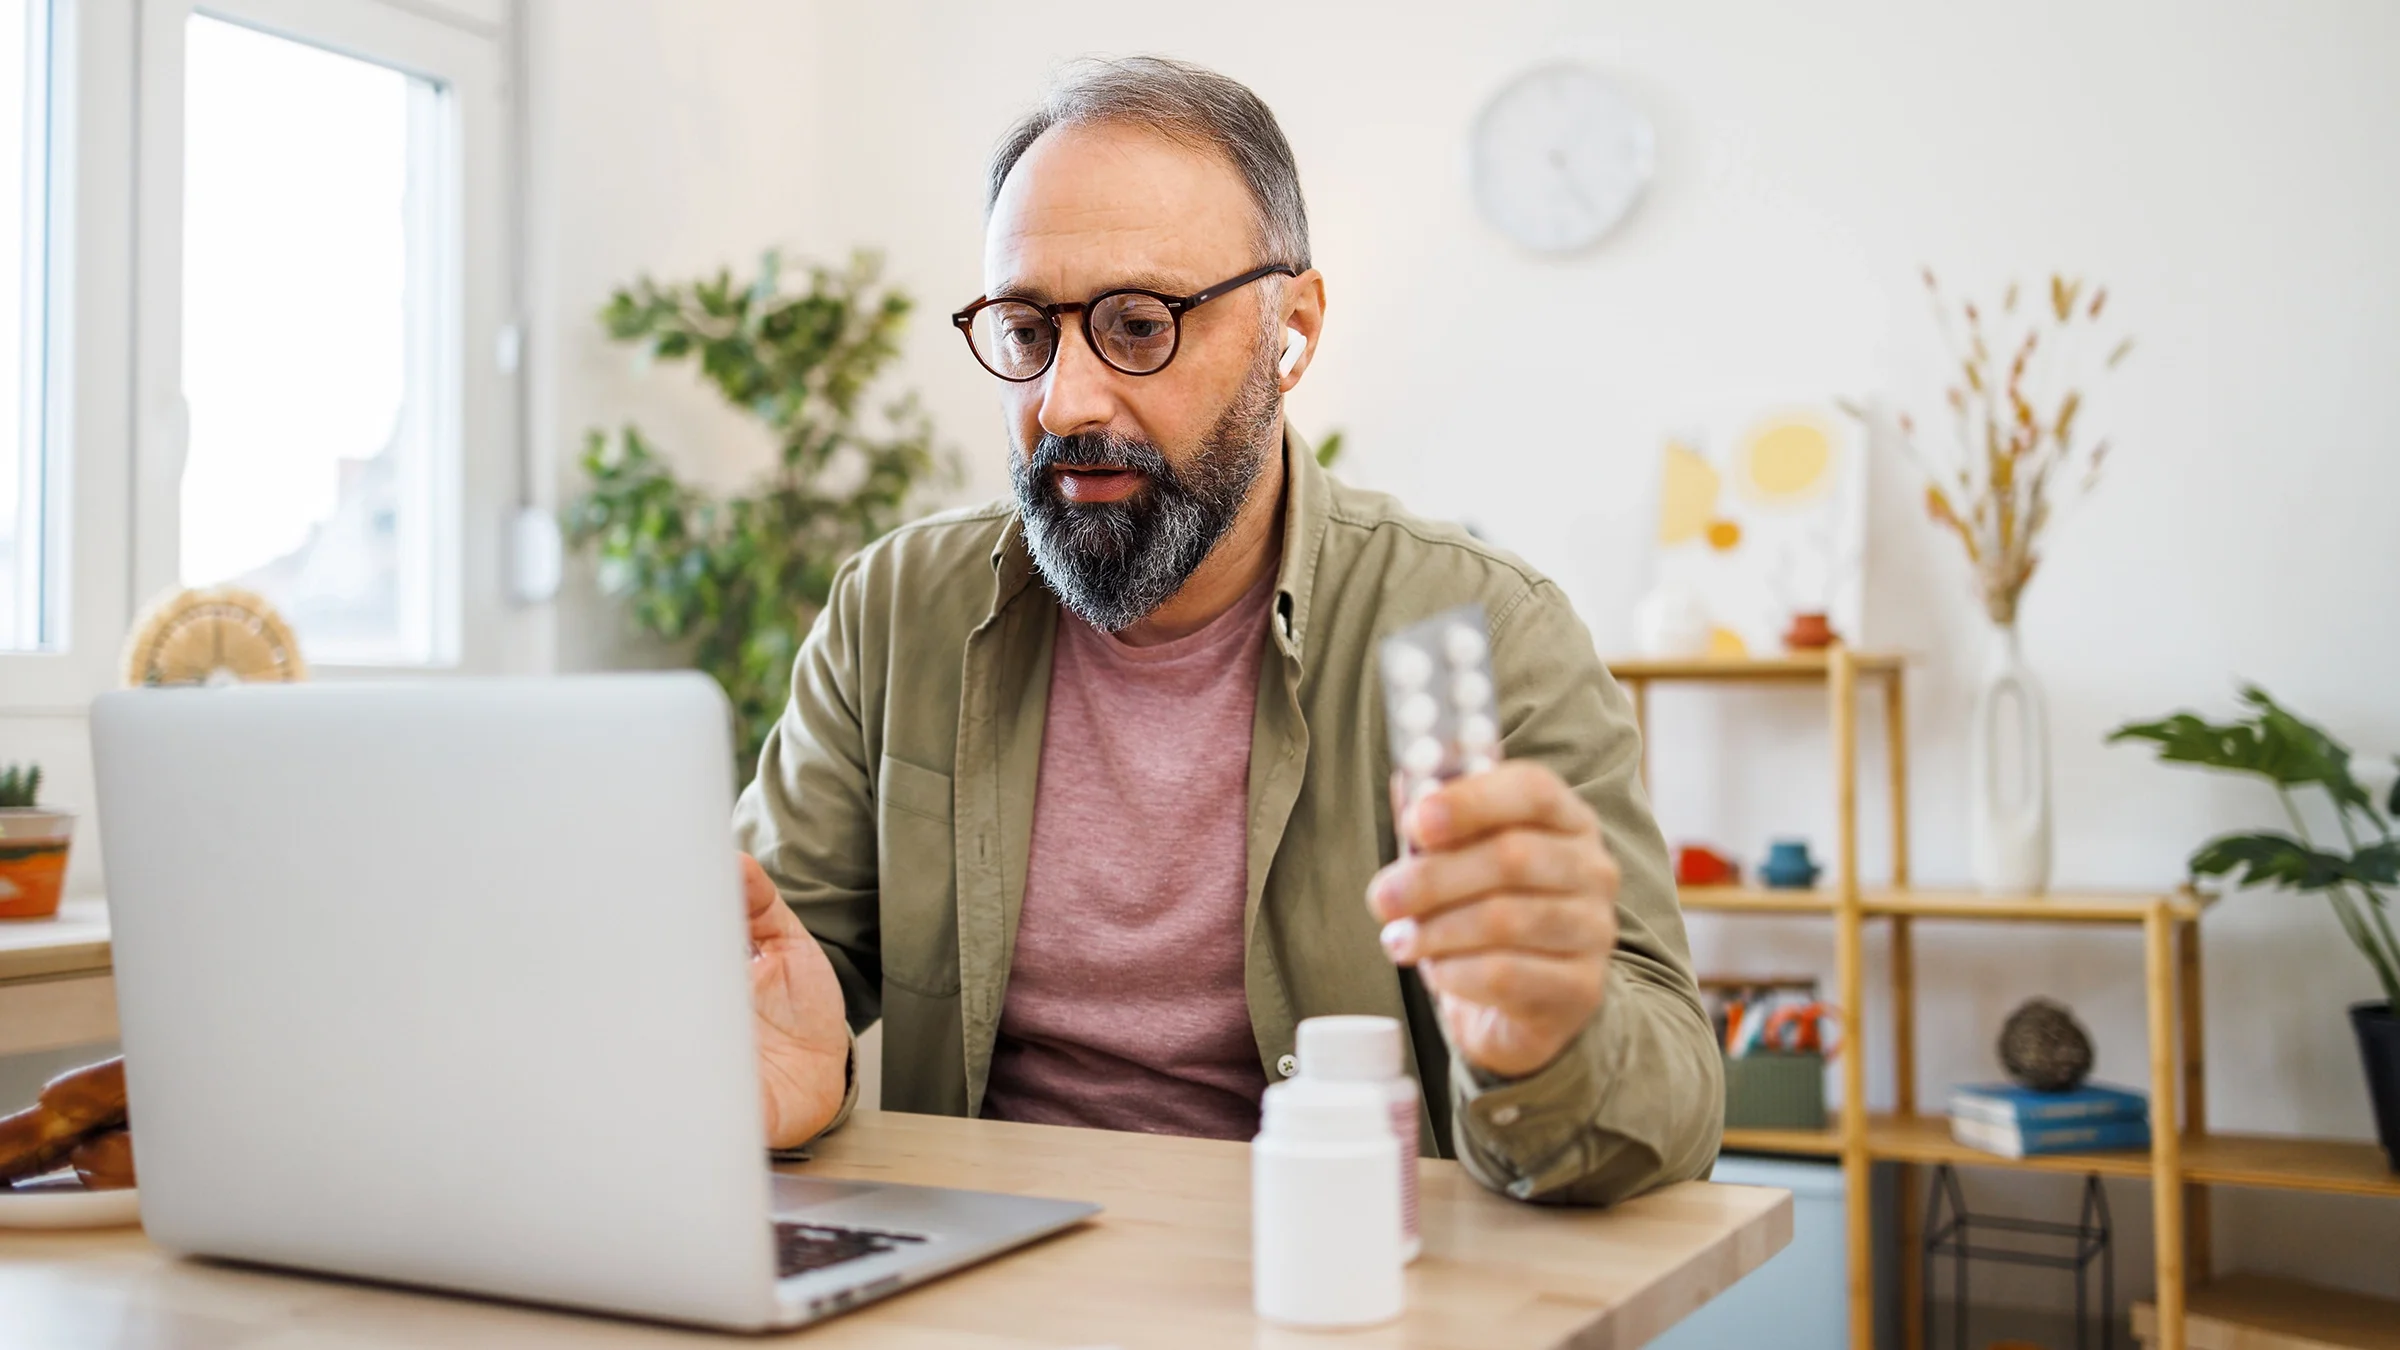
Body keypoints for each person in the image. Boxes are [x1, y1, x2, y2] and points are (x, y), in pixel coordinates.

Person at [732, 56, 1720, 1205]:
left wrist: (1549, 1040)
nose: (1066, 402)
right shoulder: (896, 610)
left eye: (1140, 325)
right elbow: (779, 971)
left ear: (1289, 332)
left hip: (1346, 1288)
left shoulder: (1486, 631)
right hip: (979, 1281)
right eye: (1023, 330)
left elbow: (1676, 1113)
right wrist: (777, 1062)